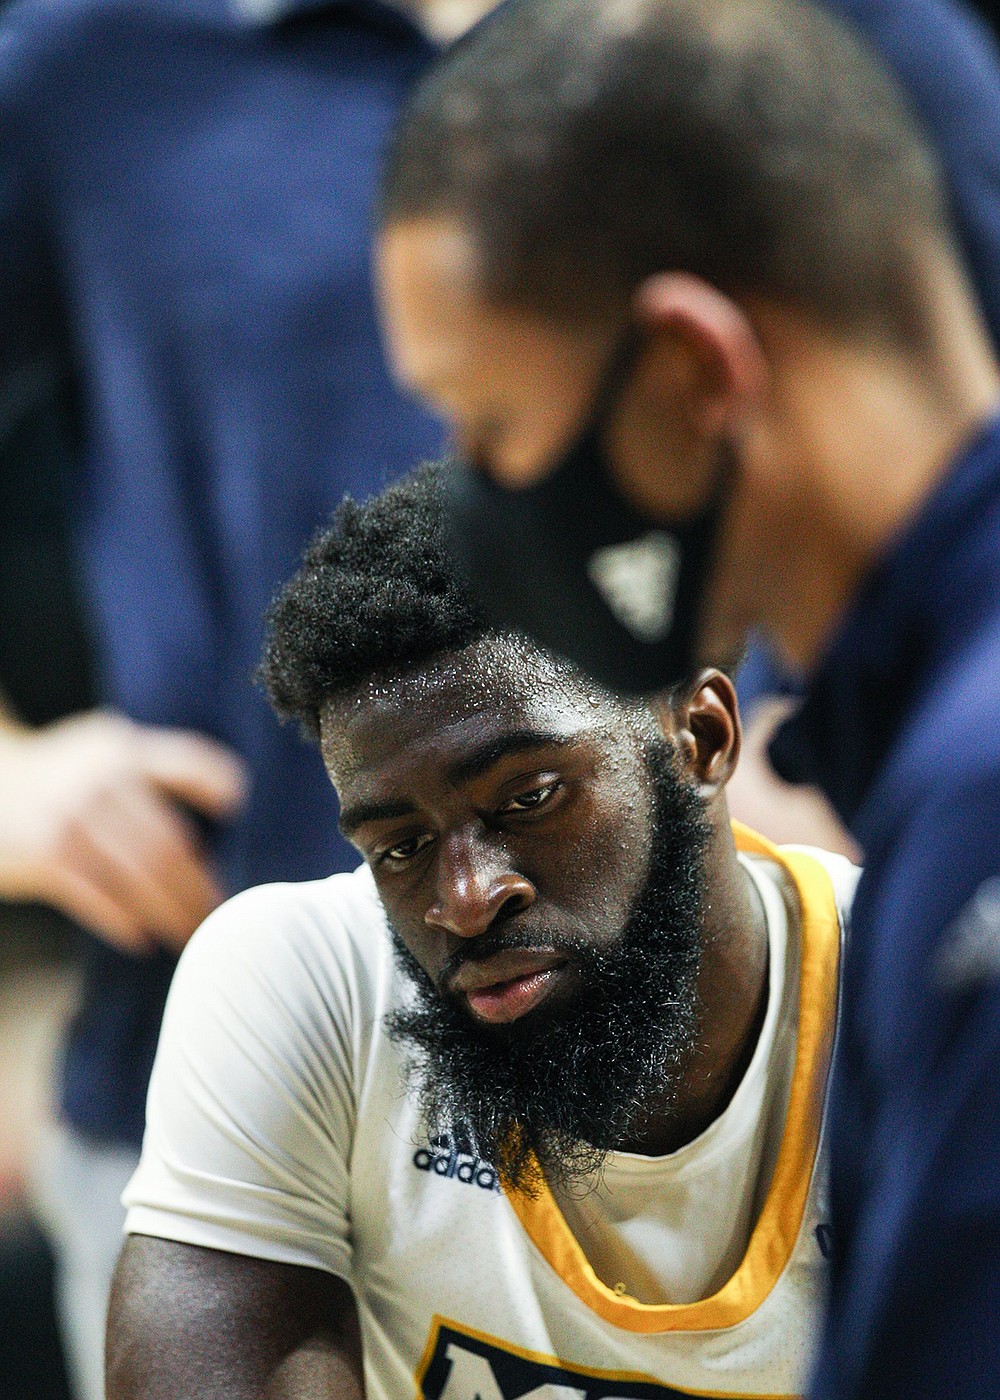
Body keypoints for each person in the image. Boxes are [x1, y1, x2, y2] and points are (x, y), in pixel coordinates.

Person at [374, 1, 1000, 1395]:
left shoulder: (981, 798)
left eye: (489, 425)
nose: (472, 498)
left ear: (692, 369)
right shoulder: (923, 764)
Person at [107, 466, 856, 1400]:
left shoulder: (919, 997)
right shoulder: (307, 983)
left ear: (699, 737)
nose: (464, 897)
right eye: (402, 846)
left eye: (531, 797)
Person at [0, 0, 496, 1394]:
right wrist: (12, 783)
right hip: (238, 1105)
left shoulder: (818, 27)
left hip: (725, 1081)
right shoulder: (87, 59)